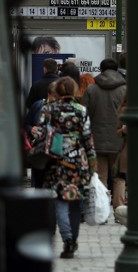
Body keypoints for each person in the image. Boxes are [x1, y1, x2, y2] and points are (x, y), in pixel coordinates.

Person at [34, 77, 97, 259]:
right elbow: (88, 139)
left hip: (56, 162)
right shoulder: (81, 110)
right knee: (76, 203)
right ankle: (73, 239)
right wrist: (92, 164)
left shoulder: (48, 109)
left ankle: (67, 240)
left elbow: (40, 133)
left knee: (60, 202)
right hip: (79, 162)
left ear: (57, 92)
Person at [81, 58, 127, 204]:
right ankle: (119, 208)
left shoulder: (91, 89)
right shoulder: (124, 89)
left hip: (97, 139)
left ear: (100, 70)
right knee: (118, 176)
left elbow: (84, 114)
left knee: (100, 176)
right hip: (119, 139)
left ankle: (101, 210)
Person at [113, 95, 128, 210]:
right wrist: (123, 130)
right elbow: (118, 131)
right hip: (127, 149)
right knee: (121, 177)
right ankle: (119, 207)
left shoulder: (123, 109)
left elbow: (118, 131)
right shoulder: (124, 110)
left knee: (120, 177)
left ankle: (119, 208)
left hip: (125, 149)